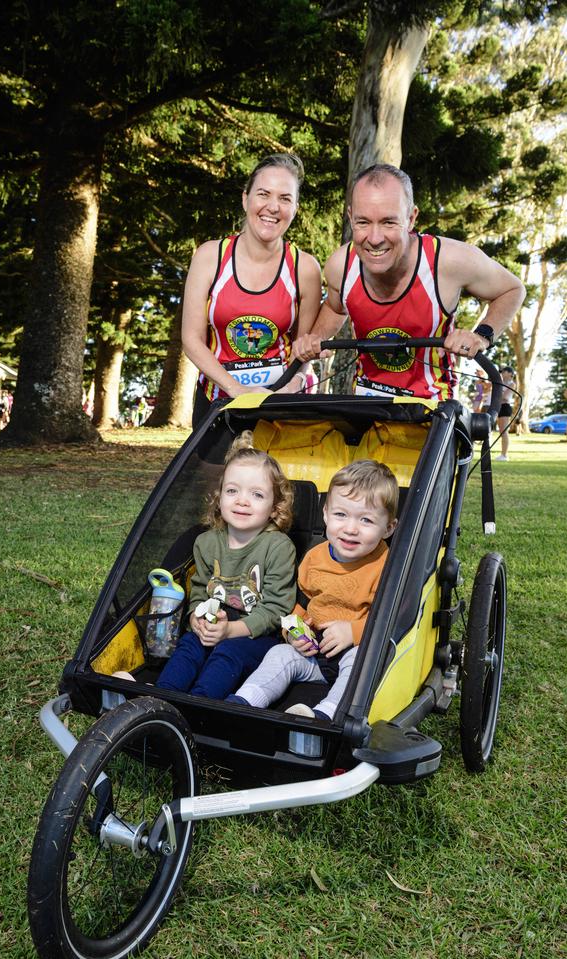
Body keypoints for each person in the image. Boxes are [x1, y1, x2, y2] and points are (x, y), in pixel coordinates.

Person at [292, 163, 526, 401]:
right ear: (351, 218)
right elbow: (334, 306)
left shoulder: (448, 261)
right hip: (365, 405)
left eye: (388, 222)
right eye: (363, 222)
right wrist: (316, 338)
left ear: (411, 218)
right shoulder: (341, 266)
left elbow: (512, 289)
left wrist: (482, 335)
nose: (374, 238)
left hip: (431, 414)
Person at [227, 459, 398, 720]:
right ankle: (244, 702)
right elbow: (301, 605)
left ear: (388, 528)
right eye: (341, 515)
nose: (350, 529)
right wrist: (292, 631)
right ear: (326, 514)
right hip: (315, 653)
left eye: (365, 520)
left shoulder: (384, 566)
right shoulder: (315, 558)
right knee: (280, 653)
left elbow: (391, 619)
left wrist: (353, 632)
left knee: (359, 661)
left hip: (354, 652)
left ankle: (324, 715)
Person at [152, 432, 297, 699]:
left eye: (256, 494)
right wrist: (196, 617)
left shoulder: (278, 547)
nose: (242, 500)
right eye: (232, 491)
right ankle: (161, 700)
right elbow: (199, 590)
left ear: (275, 507)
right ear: (219, 498)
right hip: (213, 625)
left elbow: (277, 609)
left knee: (227, 653)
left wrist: (230, 631)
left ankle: (201, 705)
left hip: (256, 636)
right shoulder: (206, 543)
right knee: (189, 646)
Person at [182, 153, 322, 428]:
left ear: (295, 208)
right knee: (214, 472)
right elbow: (191, 339)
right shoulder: (210, 256)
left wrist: (291, 385)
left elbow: (303, 348)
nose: (273, 206)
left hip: (277, 400)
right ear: (246, 198)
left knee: (272, 473)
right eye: (263, 194)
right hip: (218, 397)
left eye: (285, 198)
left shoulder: (305, 268)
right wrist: (237, 390)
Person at [495, 366, 517, 461]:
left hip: (505, 407)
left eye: (504, 372)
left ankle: (504, 455)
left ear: (510, 373)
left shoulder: (512, 384)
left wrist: (498, 396)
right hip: (499, 407)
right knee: (501, 432)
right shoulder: (500, 383)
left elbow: (505, 397)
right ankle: (502, 454)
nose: (502, 373)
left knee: (504, 432)